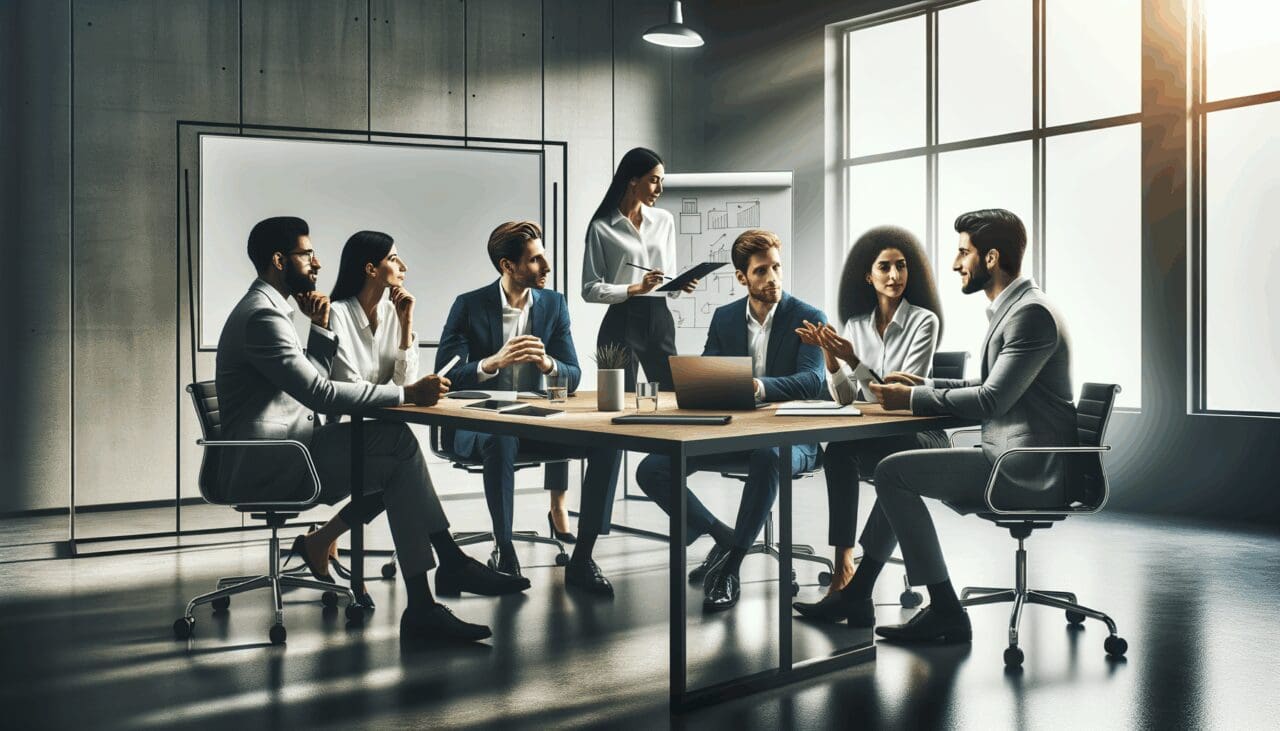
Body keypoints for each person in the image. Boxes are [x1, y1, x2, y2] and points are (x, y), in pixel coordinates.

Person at [215, 216, 528, 645]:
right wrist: (405, 393)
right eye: (307, 254)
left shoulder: (271, 310)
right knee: (397, 452)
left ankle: (429, 595)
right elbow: (320, 393)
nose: (317, 263)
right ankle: (442, 574)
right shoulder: (262, 317)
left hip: (291, 446)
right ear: (279, 260)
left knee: (397, 449)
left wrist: (319, 331)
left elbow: (311, 382)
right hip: (275, 459)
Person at [825, 208, 1077, 645]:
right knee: (896, 468)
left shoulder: (1030, 314)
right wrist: (924, 384)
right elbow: (987, 384)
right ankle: (860, 591)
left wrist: (912, 398)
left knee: (893, 472)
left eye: (964, 252)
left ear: (991, 258)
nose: (956, 263)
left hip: (1024, 467)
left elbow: (991, 400)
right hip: (1009, 455)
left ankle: (945, 610)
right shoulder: (1017, 309)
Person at [634, 229, 827, 611]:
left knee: (769, 456)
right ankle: (724, 536)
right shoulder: (725, 318)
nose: (772, 278)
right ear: (742, 277)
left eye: (776, 267)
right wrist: (700, 381)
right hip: (734, 430)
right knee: (652, 469)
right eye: (761, 271)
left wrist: (758, 386)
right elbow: (710, 370)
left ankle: (730, 567)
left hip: (792, 435)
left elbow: (812, 380)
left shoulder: (808, 317)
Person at [437, 221, 623, 595]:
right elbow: (446, 375)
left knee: (609, 440)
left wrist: (548, 364)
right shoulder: (469, 305)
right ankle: (504, 551)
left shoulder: (553, 305)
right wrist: (491, 363)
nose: (546, 267)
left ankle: (583, 557)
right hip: (480, 423)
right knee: (500, 438)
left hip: (536, 423)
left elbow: (572, 374)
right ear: (508, 265)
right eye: (535, 260)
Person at [790, 226, 946, 622]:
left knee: (896, 467)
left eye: (901, 266)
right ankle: (843, 565)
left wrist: (853, 360)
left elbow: (897, 395)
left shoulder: (924, 321)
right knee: (838, 452)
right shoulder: (856, 325)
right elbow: (845, 398)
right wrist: (831, 358)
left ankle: (855, 591)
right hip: (876, 434)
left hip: (919, 433)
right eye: (884, 267)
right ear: (868, 276)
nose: (894, 275)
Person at [281, 230, 419, 605]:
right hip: (332, 434)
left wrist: (406, 325)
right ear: (371, 268)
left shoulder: (395, 312)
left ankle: (321, 539)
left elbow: (403, 384)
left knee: (397, 464)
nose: (403, 266)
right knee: (397, 463)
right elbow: (348, 387)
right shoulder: (338, 314)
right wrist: (398, 393)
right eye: (394, 258)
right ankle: (326, 542)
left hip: (371, 428)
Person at [582, 147, 698, 390]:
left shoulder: (664, 220)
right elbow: (589, 289)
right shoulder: (602, 227)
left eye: (661, 181)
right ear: (633, 180)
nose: (660, 189)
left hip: (660, 318)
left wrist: (679, 284)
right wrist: (636, 288)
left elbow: (668, 276)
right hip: (622, 320)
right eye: (654, 180)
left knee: (673, 394)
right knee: (620, 397)